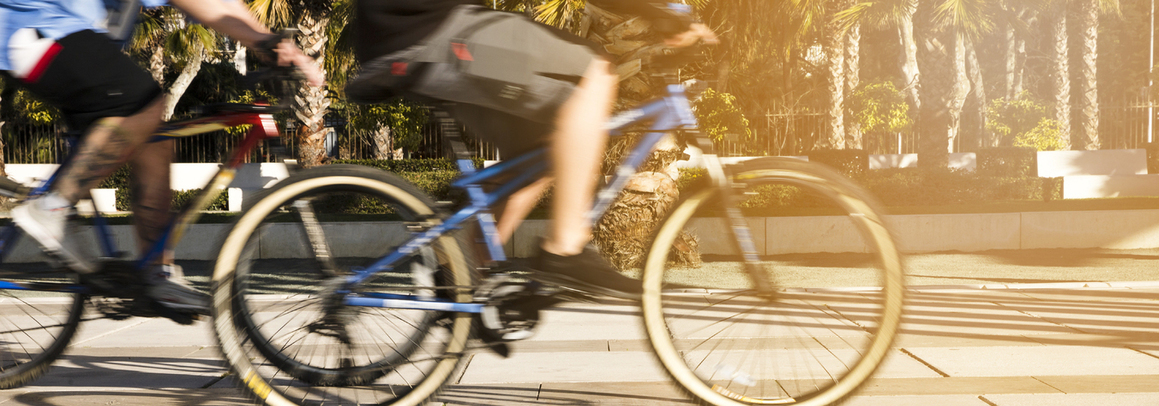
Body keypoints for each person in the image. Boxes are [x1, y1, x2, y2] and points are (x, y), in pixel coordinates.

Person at [349, 0, 717, 297]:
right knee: (594, 71)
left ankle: (462, 281)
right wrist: (661, 11)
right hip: (429, 33)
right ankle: (565, 249)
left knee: (546, 147)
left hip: (415, 31)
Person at [0, 0, 322, 315]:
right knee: (143, 103)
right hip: (33, 28)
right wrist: (262, 41)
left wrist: (267, 40)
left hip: (56, 34)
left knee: (155, 138)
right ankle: (52, 207)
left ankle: (156, 274)